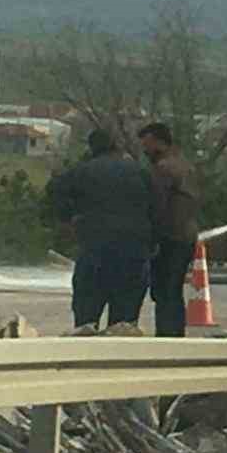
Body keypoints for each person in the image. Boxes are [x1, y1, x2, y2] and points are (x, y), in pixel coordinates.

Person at [49, 129, 153, 330]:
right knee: (124, 323)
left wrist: (68, 219)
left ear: (92, 147)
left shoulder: (82, 172)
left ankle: (85, 356)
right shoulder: (140, 173)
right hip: (133, 254)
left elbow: (55, 191)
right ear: (117, 146)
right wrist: (152, 242)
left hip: (95, 252)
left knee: (86, 318)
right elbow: (157, 209)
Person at [138, 121, 199, 337]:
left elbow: (156, 205)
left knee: (164, 291)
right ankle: (174, 333)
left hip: (170, 237)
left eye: (147, 144)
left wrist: (151, 237)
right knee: (172, 290)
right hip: (186, 235)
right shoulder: (183, 164)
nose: (145, 150)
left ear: (159, 142)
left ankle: (167, 334)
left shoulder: (163, 169)